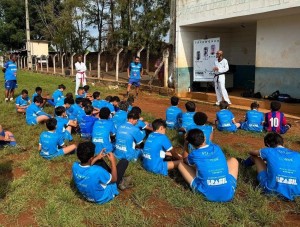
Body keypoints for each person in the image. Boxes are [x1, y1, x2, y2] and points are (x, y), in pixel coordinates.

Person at [178, 129, 239, 202]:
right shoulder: (216, 148)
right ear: (204, 138)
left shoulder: (194, 154)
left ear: (191, 144)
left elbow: (185, 160)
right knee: (233, 160)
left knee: (180, 164)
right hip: (228, 194)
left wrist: (185, 145)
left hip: (206, 195)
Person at [242, 132, 300, 201]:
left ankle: (244, 164)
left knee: (256, 157)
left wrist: (249, 151)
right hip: (296, 192)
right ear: (282, 143)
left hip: (271, 189)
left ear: (268, 145)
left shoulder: (268, 150)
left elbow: (252, 152)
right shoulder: (297, 154)